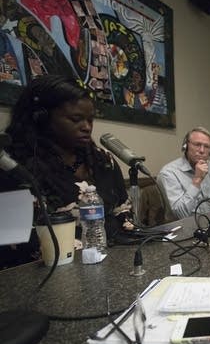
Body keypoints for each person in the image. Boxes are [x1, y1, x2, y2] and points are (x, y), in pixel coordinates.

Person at [0, 74, 132, 268]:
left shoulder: (103, 161)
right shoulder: (12, 166)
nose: (87, 127)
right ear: (41, 117)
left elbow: (124, 214)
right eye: (76, 119)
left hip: (112, 264)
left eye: (90, 119)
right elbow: (17, 246)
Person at [157, 127, 210, 219]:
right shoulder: (168, 173)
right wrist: (197, 180)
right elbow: (180, 215)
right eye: (197, 144)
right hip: (184, 228)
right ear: (186, 146)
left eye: (207, 147)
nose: (202, 150)